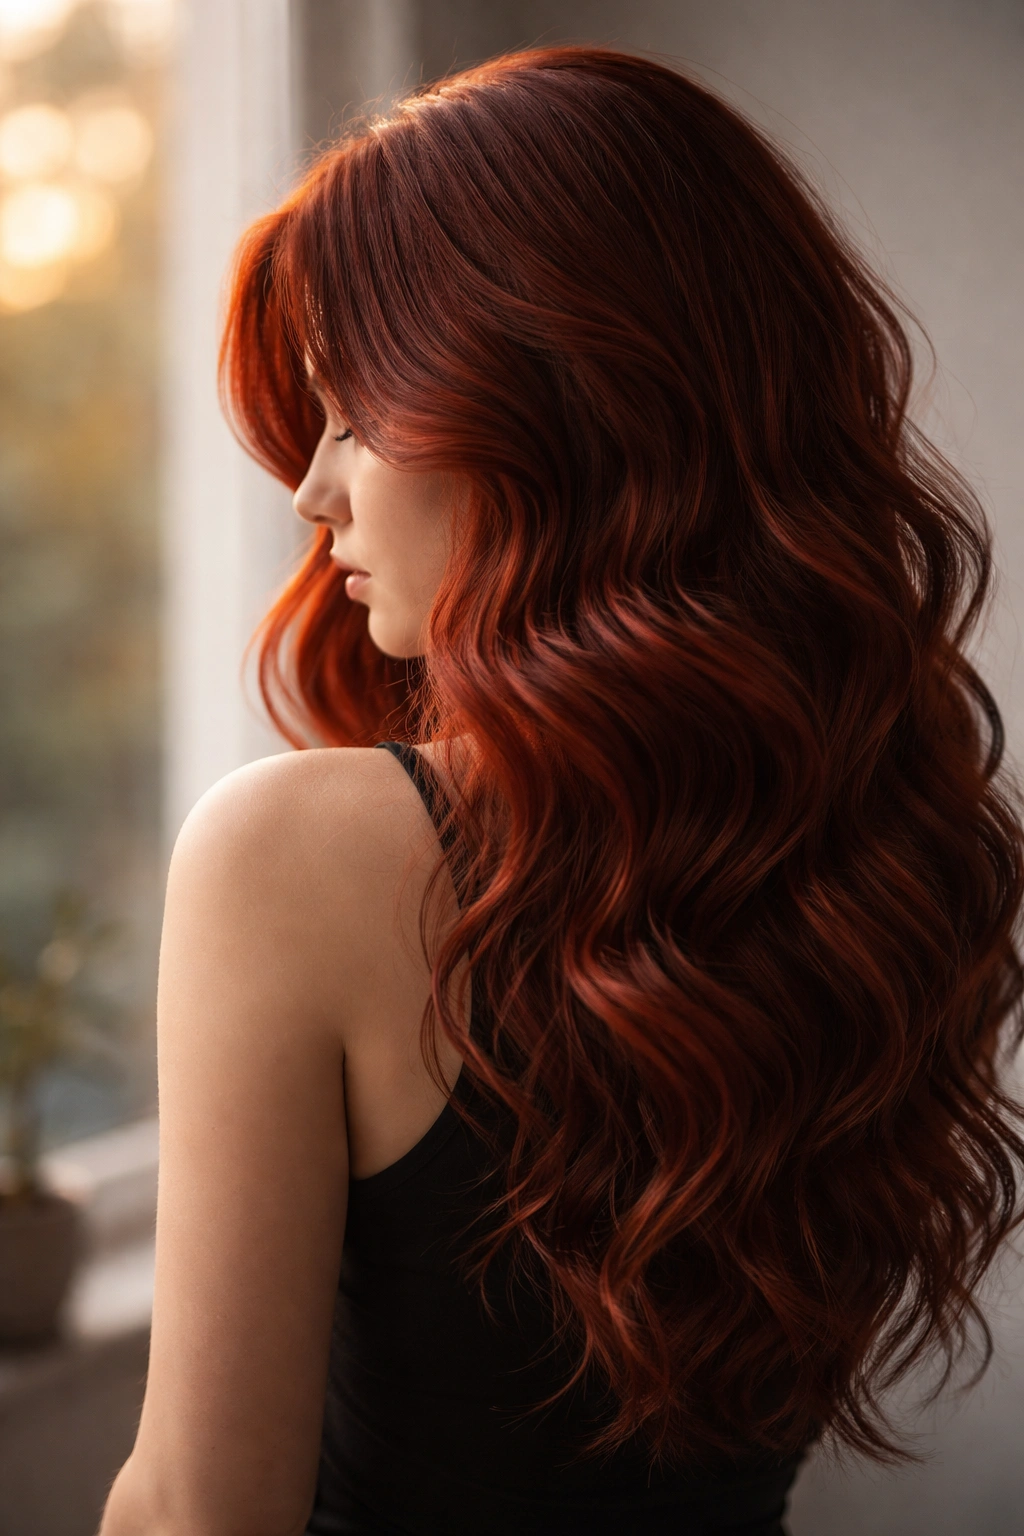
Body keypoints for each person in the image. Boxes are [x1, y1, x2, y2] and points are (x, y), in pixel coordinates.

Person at [99, 46, 1024, 1536]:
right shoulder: (907, 859)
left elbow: (197, 1511)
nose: (310, 489)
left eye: (356, 414)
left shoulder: (300, 855)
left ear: (555, 410)